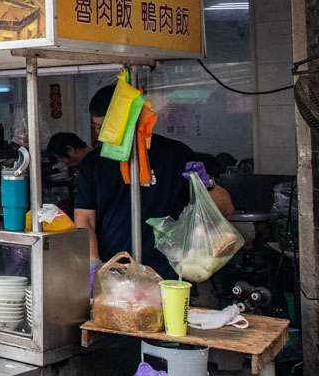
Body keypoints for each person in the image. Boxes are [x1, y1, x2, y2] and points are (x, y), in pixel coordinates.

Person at [74, 86, 235, 280]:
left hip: (168, 275)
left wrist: (206, 184)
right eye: (98, 127)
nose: (102, 135)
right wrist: (93, 264)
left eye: (107, 127)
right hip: (114, 275)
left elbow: (226, 210)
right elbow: (84, 219)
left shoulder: (175, 154)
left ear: (129, 120)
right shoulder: (94, 163)